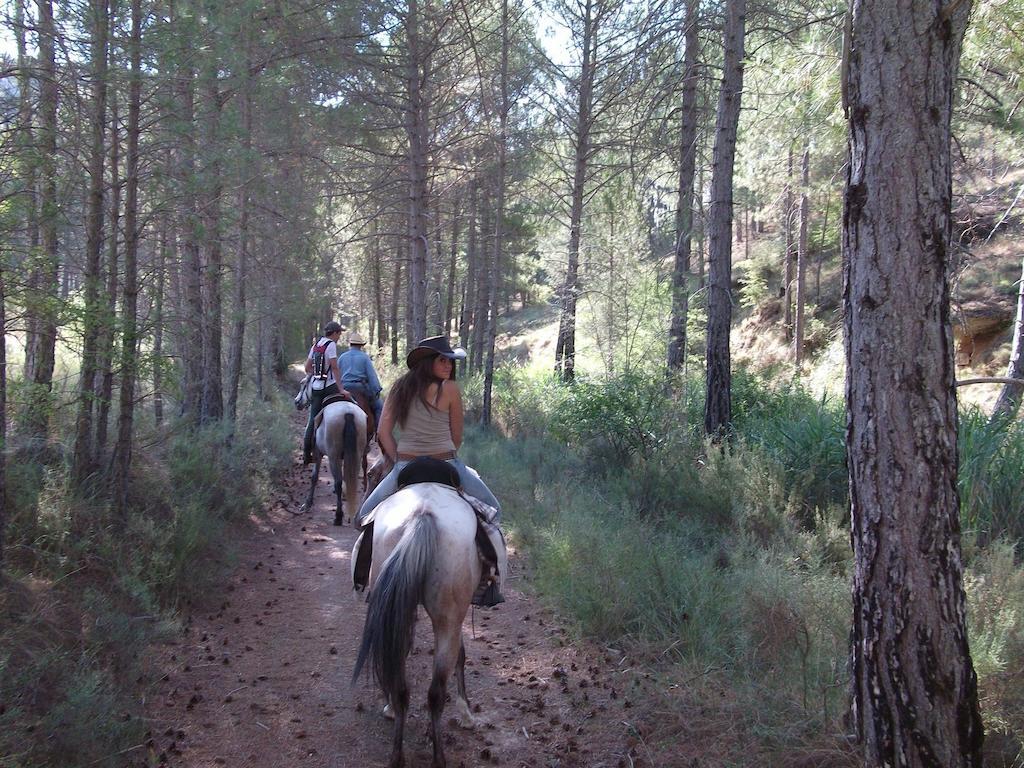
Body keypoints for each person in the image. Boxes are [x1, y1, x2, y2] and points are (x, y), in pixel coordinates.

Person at [354, 335, 505, 606]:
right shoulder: (450, 390)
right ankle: (490, 581)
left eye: (449, 361)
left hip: (406, 467)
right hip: (446, 464)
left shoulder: (399, 388)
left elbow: (383, 433)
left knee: (364, 518)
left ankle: (363, 578)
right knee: (493, 513)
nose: (448, 366)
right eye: (442, 360)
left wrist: (398, 456)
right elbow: (456, 437)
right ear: (428, 362)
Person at [303, 321, 349, 464]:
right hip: (329, 387)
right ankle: (346, 446)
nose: (339, 336)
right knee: (349, 404)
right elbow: (335, 368)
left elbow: (307, 367)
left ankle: (306, 452)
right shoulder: (331, 345)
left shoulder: (316, 345)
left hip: (316, 388)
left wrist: (317, 374)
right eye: (339, 333)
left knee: (312, 419)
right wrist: (341, 389)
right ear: (334, 333)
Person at [338, 331, 383, 435]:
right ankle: (379, 434)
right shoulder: (364, 357)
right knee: (379, 407)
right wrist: (377, 390)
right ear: (361, 345)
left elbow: (336, 375)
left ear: (350, 344)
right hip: (360, 387)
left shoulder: (342, 357)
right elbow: (372, 376)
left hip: (344, 388)